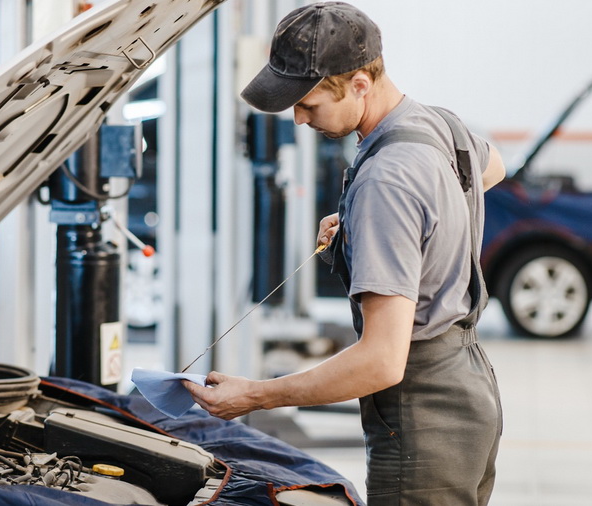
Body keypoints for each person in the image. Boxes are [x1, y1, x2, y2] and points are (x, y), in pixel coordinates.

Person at [183, 2, 506, 504]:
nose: (297, 118)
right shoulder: (439, 123)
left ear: (359, 83)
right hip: (471, 390)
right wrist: (410, 226)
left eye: (309, 103)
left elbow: (381, 362)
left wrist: (255, 395)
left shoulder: (386, 180)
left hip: (425, 415)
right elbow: (493, 168)